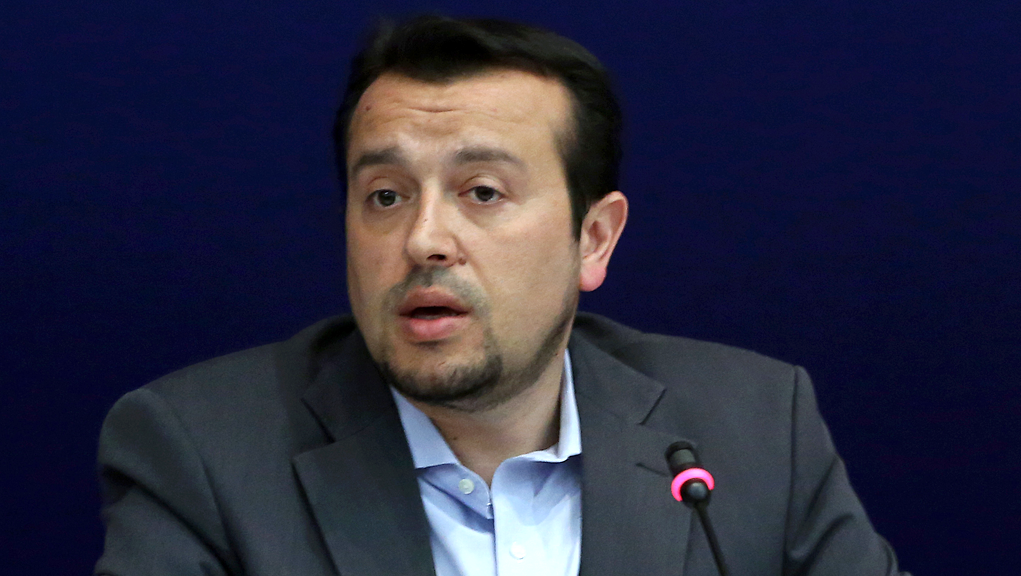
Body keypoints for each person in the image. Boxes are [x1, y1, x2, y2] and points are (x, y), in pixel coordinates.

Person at [95, 15, 909, 576]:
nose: (423, 239)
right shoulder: (203, 452)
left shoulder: (754, 429)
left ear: (593, 239)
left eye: (481, 192)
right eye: (385, 195)